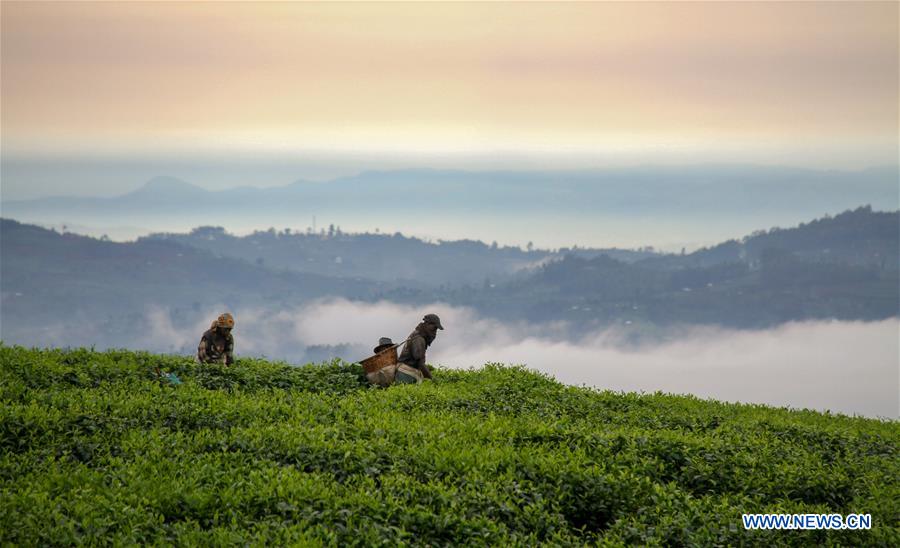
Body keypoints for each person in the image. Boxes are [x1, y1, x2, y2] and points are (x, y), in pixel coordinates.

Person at [396, 313, 443, 383]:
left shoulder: (419, 334)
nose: (435, 331)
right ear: (427, 324)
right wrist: (433, 379)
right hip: (406, 373)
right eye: (434, 327)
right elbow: (420, 363)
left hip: (406, 371)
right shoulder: (419, 339)